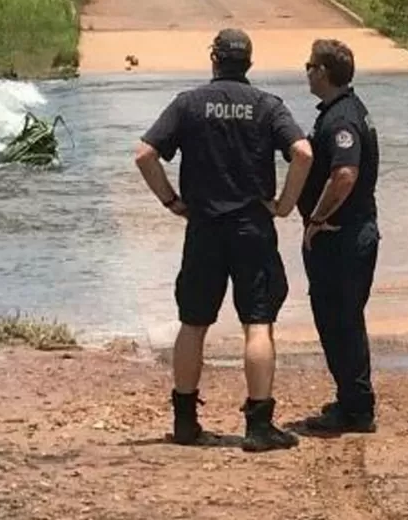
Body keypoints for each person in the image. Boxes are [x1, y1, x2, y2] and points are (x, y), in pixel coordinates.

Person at [133, 28, 314, 452]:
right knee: (257, 323)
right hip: (252, 228)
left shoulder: (188, 104)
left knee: (193, 323)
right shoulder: (267, 106)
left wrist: (170, 201)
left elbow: (144, 154)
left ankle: (184, 422)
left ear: (214, 58)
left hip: (204, 228)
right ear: (248, 63)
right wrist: (286, 204)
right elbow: (303, 152)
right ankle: (258, 425)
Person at [296, 39, 381, 433]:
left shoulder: (341, 120)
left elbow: (345, 174)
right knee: (342, 319)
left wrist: (316, 218)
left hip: (341, 235)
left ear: (324, 72)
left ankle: (356, 409)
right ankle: (351, 399)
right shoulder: (343, 111)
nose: (306, 71)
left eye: (310, 65)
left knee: (340, 319)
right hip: (349, 232)